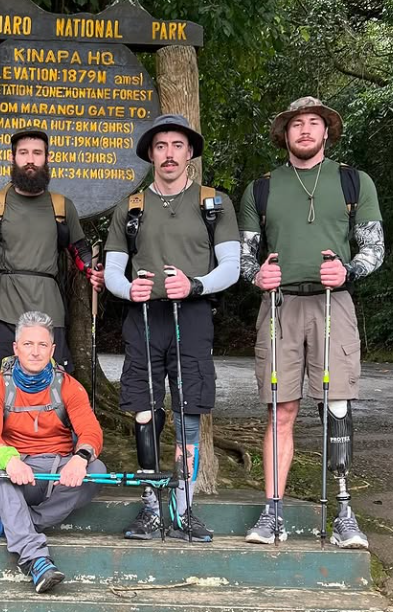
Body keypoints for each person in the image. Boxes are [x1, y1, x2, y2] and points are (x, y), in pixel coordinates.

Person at [239, 97, 384, 548]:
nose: (304, 130)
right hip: (280, 305)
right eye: (296, 124)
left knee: (336, 407)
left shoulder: (352, 182)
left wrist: (349, 270)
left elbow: (374, 248)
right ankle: (272, 512)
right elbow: (243, 254)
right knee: (280, 409)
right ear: (285, 134)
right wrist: (256, 274)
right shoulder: (260, 189)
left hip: (333, 302)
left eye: (313, 123)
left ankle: (343, 513)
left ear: (327, 132)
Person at [104, 114, 240, 541]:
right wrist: (129, 291)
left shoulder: (213, 203)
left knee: (189, 412)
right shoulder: (131, 206)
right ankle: (149, 506)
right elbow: (112, 271)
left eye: (177, 145)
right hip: (145, 318)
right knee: (145, 410)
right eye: (160, 146)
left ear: (190, 152)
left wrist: (196, 284)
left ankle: (182, 509)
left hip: (193, 316)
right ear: (149, 153)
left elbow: (232, 266)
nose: (168, 153)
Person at [0, 311, 105, 593]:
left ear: (52, 349)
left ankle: (11, 524)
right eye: (28, 344)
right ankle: (35, 560)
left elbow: (91, 432)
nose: (35, 352)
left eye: (42, 345)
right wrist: (9, 460)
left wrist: (79, 459)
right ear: (15, 348)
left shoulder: (69, 386)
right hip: (20, 472)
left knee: (98, 471)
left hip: (59, 474)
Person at [0, 128, 103, 375]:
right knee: (0, 383)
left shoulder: (61, 207)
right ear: (13, 158)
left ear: (47, 159)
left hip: (48, 308)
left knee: (50, 385)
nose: (30, 159)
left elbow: (79, 249)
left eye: (37, 153)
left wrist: (92, 271)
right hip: (1, 307)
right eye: (24, 153)